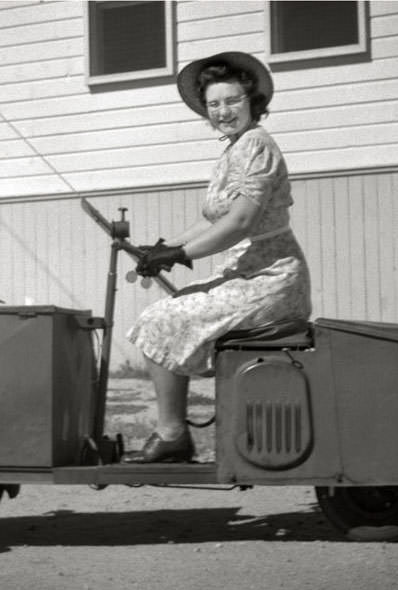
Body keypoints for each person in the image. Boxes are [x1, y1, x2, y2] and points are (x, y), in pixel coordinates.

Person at [125, 51, 312, 463]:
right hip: (246, 273)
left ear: (252, 101)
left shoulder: (257, 145)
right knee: (167, 312)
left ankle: (173, 434)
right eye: (214, 105)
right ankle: (175, 433)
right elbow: (213, 218)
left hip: (270, 279)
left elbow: (241, 221)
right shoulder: (234, 149)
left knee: (160, 320)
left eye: (232, 101)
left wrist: (181, 253)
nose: (223, 111)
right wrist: (162, 250)